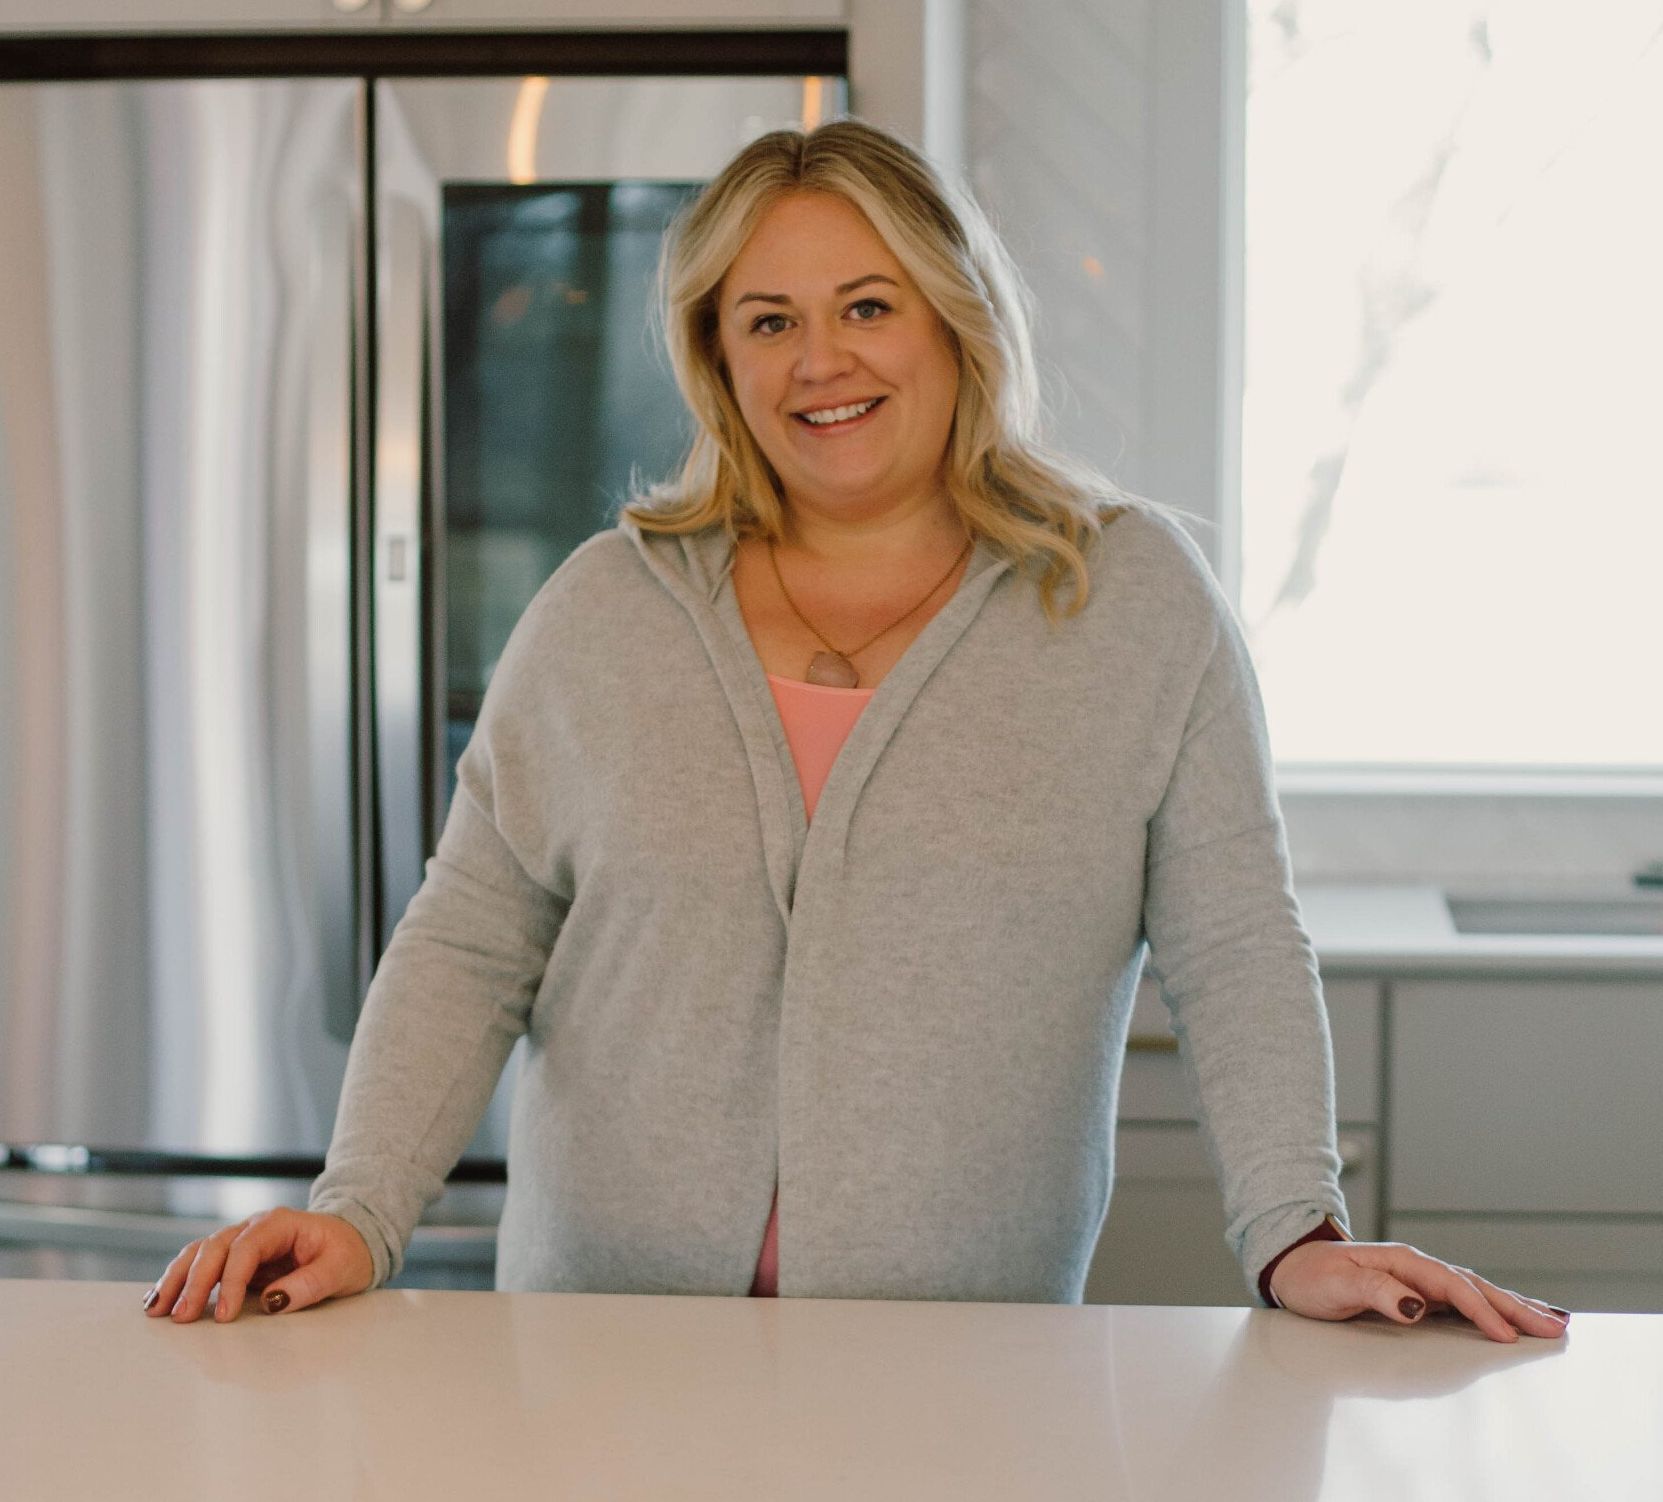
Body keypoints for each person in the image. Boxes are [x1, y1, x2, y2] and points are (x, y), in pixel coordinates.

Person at [144, 118, 1568, 1343]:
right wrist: (362, 1207)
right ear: (721, 357)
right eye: (768, 319)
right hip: (601, 1357)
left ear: (956, 315)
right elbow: (468, 937)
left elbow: (1237, 944)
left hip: (961, 1374)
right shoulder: (604, 611)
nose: (821, 360)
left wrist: (1293, 1232)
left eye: (868, 305)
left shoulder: (1130, 604)